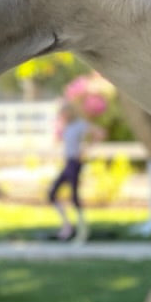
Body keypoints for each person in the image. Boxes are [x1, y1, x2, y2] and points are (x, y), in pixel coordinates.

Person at [48, 103, 103, 242]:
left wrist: (86, 150)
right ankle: (67, 226)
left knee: (74, 196)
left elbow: (99, 133)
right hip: (68, 162)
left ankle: (82, 229)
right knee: (52, 194)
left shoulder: (79, 124)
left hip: (75, 162)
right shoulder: (67, 126)